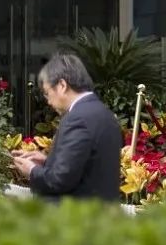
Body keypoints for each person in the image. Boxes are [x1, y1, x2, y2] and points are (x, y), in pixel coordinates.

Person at [12, 53, 121, 202]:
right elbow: (87, 168)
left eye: (47, 93)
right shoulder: (105, 114)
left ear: (62, 85)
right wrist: (47, 162)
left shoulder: (77, 118)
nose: (48, 102)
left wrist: (32, 170)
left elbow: (60, 180)